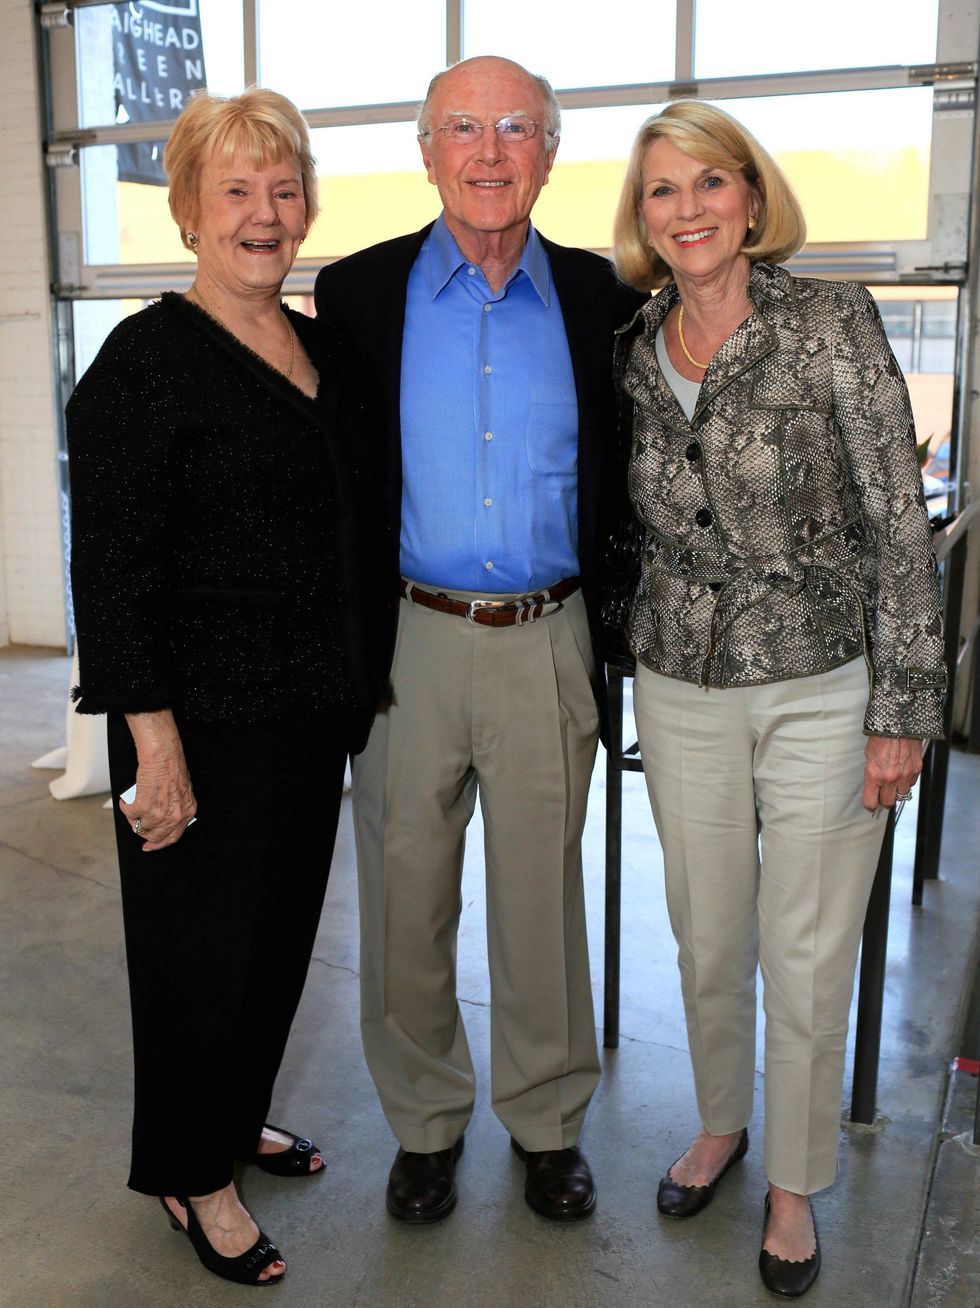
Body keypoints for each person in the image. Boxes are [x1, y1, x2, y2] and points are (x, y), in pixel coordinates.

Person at [609, 100, 946, 1297]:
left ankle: (794, 1184)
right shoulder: (633, 342)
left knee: (804, 952)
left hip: (822, 685)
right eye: (661, 189)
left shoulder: (827, 321)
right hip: (680, 682)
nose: (687, 208)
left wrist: (901, 709)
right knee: (707, 936)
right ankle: (719, 1124)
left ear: (750, 198)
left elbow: (897, 520)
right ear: (641, 217)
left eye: (709, 182)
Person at [66, 88, 391, 1287]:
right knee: (197, 958)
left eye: (283, 189)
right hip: (195, 720)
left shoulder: (321, 348)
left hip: (306, 711)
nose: (265, 213)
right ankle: (190, 1176)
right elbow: (110, 573)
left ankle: (233, 1116)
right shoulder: (144, 363)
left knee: (276, 943)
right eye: (237, 190)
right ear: (189, 213)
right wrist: (152, 742)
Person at [315, 55, 646, 1224]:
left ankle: (547, 1124)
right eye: (463, 127)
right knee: (405, 897)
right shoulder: (356, 295)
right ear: (426, 151)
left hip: (547, 639)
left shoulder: (604, 298)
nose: (489, 151)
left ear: (548, 154)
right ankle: (423, 1125)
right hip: (407, 640)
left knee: (540, 900)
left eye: (514, 128)